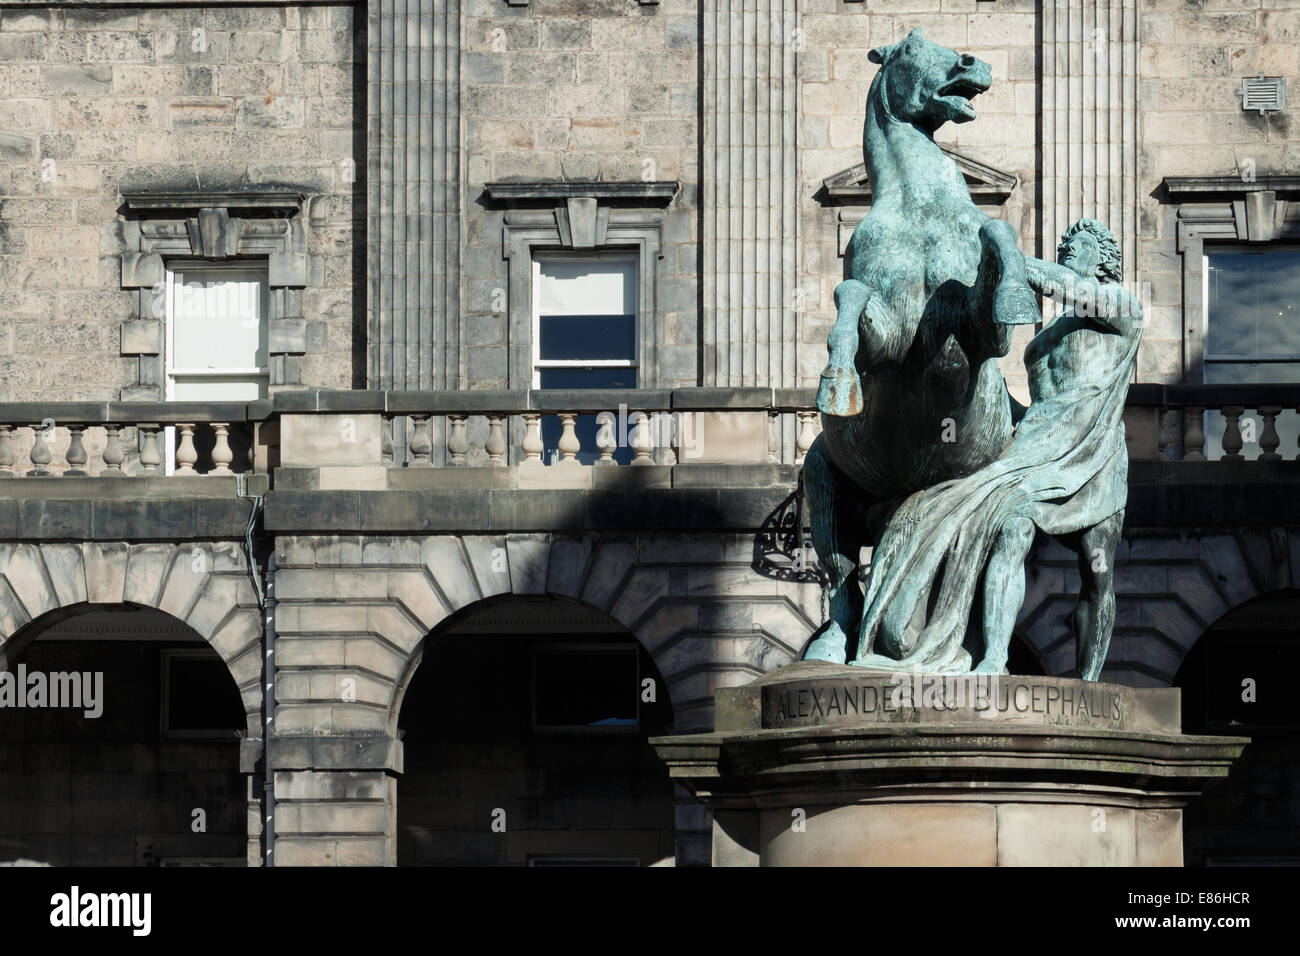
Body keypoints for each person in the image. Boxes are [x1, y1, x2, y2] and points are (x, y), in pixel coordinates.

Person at [852, 219, 1142, 679]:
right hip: (1035, 447)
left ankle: (1089, 682)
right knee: (1010, 528)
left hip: (1092, 451)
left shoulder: (1122, 310)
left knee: (1098, 569)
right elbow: (1029, 407)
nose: (1068, 248)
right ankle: (993, 659)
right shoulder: (1046, 337)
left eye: (1080, 245)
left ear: (1103, 259)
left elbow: (1066, 286)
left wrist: (1005, 255)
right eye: (1064, 242)